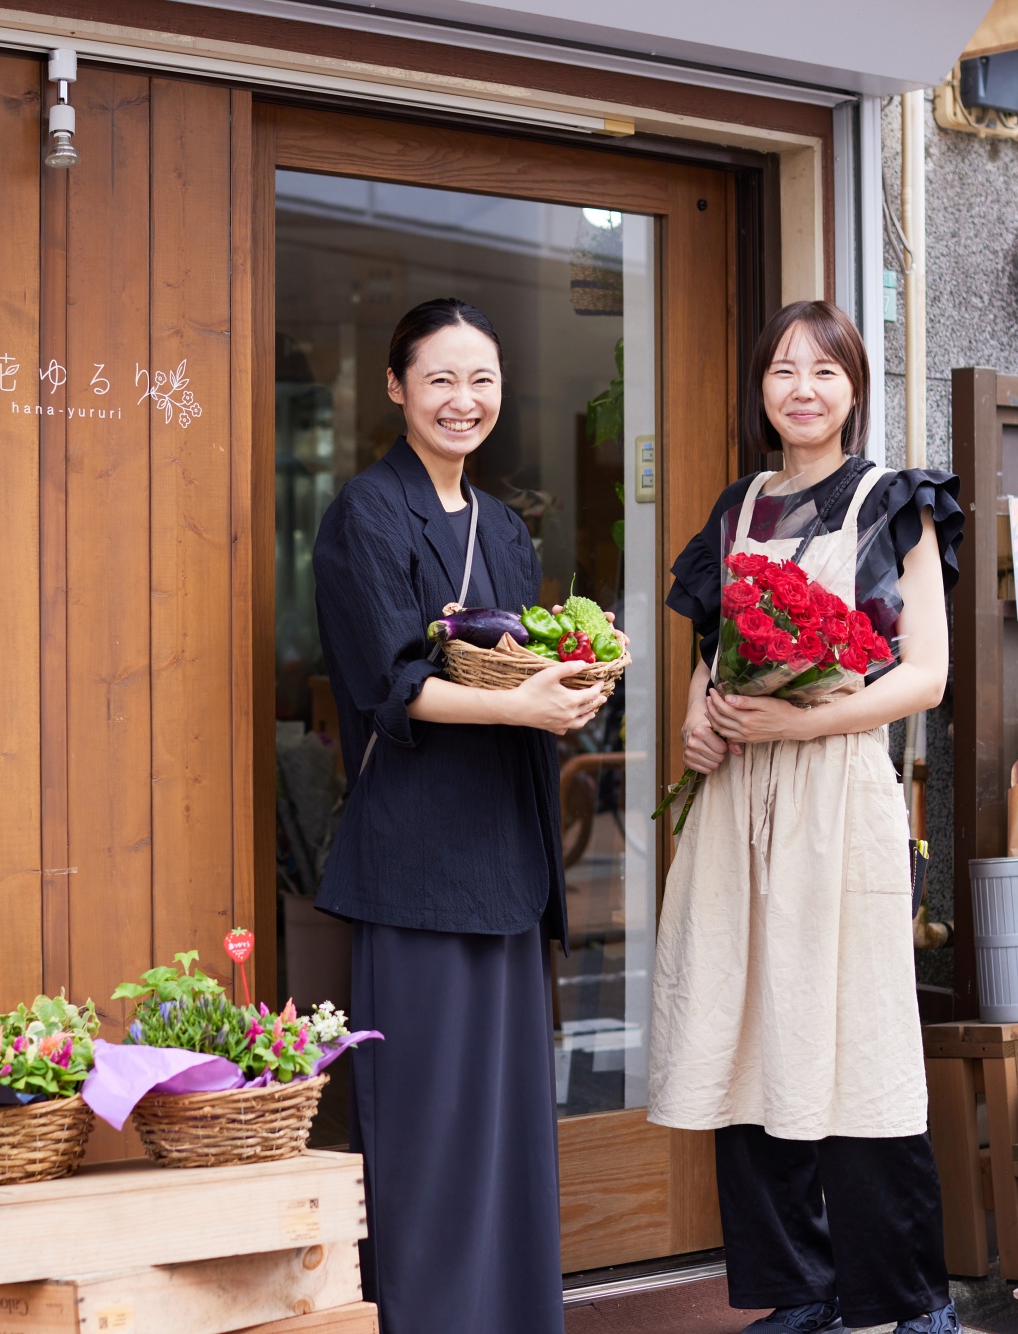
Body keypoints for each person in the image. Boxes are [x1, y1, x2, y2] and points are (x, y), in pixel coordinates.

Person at [648, 300, 966, 1334]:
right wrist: (700, 722)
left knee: (856, 1037)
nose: (800, 388)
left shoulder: (892, 502)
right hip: (736, 799)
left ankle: (906, 1299)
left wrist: (790, 723)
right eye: (782, 370)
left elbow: (924, 675)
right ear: (761, 391)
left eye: (822, 371)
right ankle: (801, 1286)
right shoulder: (737, 507)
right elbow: (710, 651)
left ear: (852, 389)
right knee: (743, 1030)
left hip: (834, 794)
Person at [312, 297, 609, 1334]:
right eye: (438, 378)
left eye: (479, 378)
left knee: (506, 1128)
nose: (461, 399)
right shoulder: (363, 512)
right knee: (429, 1129)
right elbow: (385, 686)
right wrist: (519, 702)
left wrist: (568, 690)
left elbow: (520, 666)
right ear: (396, 387)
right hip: (417, 862)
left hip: (506, 853)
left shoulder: (507, 531)